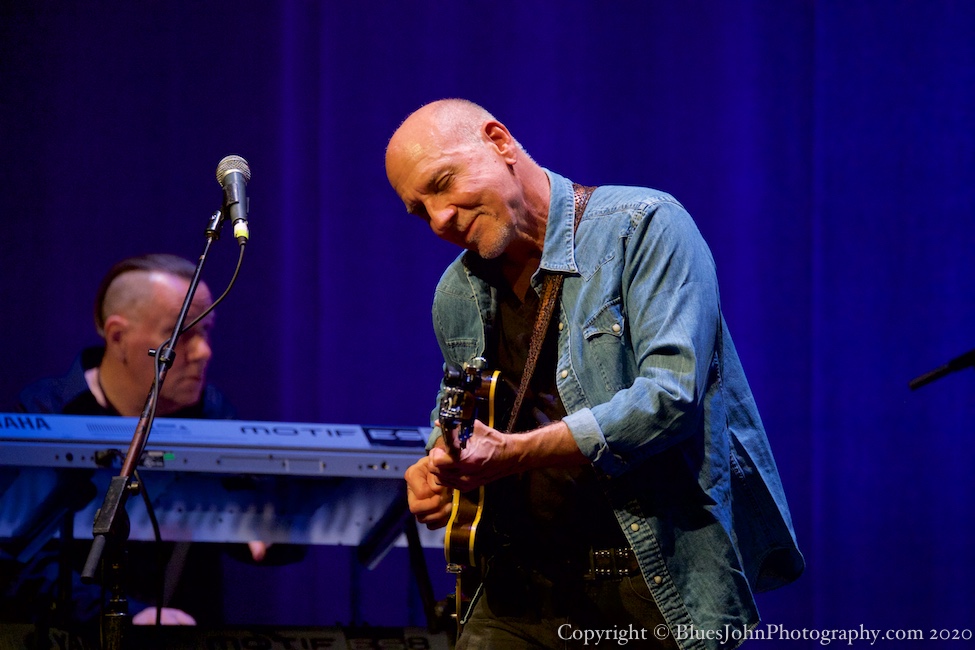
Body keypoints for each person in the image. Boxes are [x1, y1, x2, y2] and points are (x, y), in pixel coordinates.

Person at [387, 99, 804, 650]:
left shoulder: (643, 225)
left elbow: (670, 398)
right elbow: (460, 409)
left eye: (443, 184)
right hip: (514, 589)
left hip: (647, 584)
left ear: (499, 142)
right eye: (421, 212)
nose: (440, 219)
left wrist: (514, 453)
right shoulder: (455, 292)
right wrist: (439, 464)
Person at [8, 253, 235, 628]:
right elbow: (14, 560)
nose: (203, 351)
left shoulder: (211, 412)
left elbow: (257, 529)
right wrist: (123, 615)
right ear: (118, 337)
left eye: (206, 330)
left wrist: (274, 527)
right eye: (182, 334)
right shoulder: (46, 413)